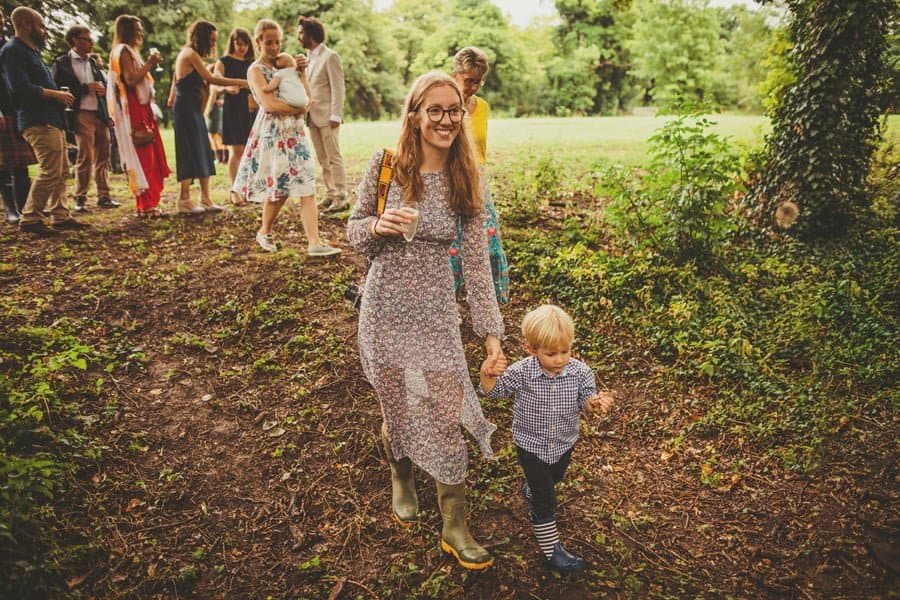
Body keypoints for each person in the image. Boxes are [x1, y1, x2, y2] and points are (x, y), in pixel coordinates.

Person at [347, 71, 507, 571]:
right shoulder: (388, 166)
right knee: (396, 400)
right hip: (384, 306)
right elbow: (355, 237)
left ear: (464, 114)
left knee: (444, 409)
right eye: (433, 110)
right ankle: (401, 476)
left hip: (436, 312)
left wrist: (491, 335)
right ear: (414, 115)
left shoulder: (468, 175)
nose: (444, 119)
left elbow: (478, 265)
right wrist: (378, 224)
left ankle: (454, 524)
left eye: (453, 110)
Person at [478, 304, 615, 573]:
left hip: (564, 442)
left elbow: (585, 402)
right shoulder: (521, 372)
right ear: (531, 349)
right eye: (551, 353)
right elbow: (494, 394)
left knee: (555, 477)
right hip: (530, 445)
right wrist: (487, 376)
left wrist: (595, 404)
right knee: (545, 498)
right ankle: (552, 550)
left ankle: (532, 488)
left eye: (565, 351)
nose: (560, 359)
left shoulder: (580, 373)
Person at [232, 19, 341, 257]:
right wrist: (298, 109)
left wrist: (301, 74)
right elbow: (269, 105)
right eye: (268, 42)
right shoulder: (255, 70)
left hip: (296, 133)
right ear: (258, 41)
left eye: (277, 42)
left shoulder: (288, 62)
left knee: (307, 185)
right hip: (273, 134)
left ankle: (314, 242)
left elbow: (307, 96)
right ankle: (265, 230)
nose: (274, 47)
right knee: (279, 188)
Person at [0, 6, 88, 235]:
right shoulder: (13, 51)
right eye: (41, 26)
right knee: (50, 169)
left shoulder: (33, 52)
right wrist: (55, 94)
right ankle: (30, 217)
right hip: (36, 119)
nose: (46, 30)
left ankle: (60, 214)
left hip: (52, 118)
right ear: (27, 26)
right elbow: (19, 88)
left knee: (61, 170)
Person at [449, 47, 509, 304]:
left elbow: (480, 148)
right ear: (455, 76)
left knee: (487, 236)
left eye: (477, 81)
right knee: (451, 241)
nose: (472, 87)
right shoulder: (445, 105)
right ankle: (448, 299)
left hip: (476, 177)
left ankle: (486, 299)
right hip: (450, 175)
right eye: (468, 80)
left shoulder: (482, 107)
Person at [172, 19, 248, 214]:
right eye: (211, 40)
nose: (213, 44)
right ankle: (184, 199)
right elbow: (211, 78)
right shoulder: (189, 54)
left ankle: (206, 198)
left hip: (194, 110)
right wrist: (242, 81)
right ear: (202, 38)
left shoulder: (194, 56)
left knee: (203, 150)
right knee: (188, 150)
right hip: (186, 110)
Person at [107, 14, 171, 218]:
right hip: (134, 108)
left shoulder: (129, 51)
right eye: (137, 29)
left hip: (142, 107)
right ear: (127, 31)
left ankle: (148, 203)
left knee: (149, 153)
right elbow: (131, 79)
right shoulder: (124, 51)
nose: (140, 33)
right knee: (144, 156)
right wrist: (150, 63)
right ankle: (146, 205)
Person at [52, 25, 121, 212]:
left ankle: (104, 196)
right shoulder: (62, 62)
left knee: (103, 155)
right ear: (75, 40)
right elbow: (58, 89)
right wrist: (85, 88)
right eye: (87, 39)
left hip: (100, 113)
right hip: (80, 112)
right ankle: (80, 198)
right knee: (85, 155)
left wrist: (103, 91)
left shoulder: (93, 62)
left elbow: (104, 86)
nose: (91, 43)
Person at [297, 15, 348, 213]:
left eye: (301, 33)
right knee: (322, 159)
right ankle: (330, 193)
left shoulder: (330, 56)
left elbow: (338, 88)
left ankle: (341, 197)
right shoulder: (309, 58)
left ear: (311, 34)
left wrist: (336, 114)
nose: (298, 37)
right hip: (312, 117)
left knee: (333, 157)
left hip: (328, 117)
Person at [0, 6, 36, 226]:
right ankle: (9, 208)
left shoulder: (8, 45)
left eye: (1, 18)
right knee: (3, 162)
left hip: (15, 108)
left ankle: (25, 205)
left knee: (20, 161)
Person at [214, 27, 256, 207]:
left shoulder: (252, 63)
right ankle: (235, 190)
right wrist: (226, 89)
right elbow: (214, 84)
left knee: (251, 152)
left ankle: (249, 188)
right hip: (233, 109)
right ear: (232, 42)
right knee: (237, 151)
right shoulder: (223, 62)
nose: (242, 47)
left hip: (252, 110)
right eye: (238, 43)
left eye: (245, 44)